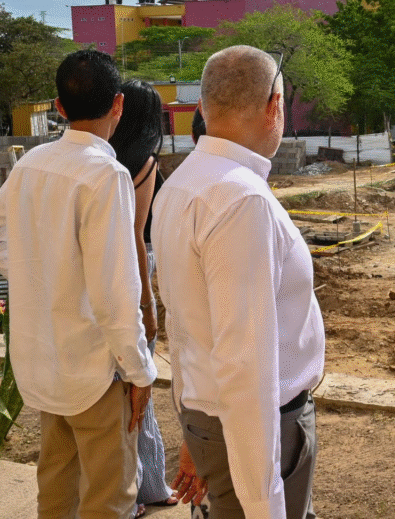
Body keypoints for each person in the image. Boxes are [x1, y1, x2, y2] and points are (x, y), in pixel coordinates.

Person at [0, 49, 157, 519]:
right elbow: (115, 296)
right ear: (118, 104)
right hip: (94, 369)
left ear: (58, 105)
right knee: (110, 499)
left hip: (43, 362)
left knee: (56, 489)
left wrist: (41, 276)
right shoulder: (106, 174)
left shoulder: (32, 163)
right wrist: (140, 371)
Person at [152, 45, 325, 519]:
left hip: (215, 419)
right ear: (275, 106)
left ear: (203, 107)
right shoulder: (241, 199)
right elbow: (246, 364)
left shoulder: (182, 184)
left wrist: (193, 424)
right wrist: (264, 508)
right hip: (254, 429)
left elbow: (183, 329)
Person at [108, 79, 178, 518]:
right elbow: (136, 234)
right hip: (135, 266)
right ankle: (137, 491)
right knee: (139, 386)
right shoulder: (143, 163)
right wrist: (148, 306)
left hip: (108, 268)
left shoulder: (104, 158)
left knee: (125, 388)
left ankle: (143, 487)